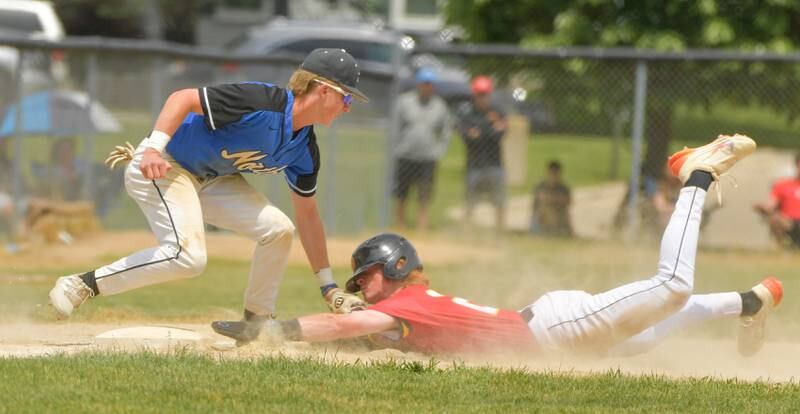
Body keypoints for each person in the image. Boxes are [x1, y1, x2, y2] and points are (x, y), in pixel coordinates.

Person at [214, 134, 782, 358]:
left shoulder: (402, 304)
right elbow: (355, 340)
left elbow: (343, 328)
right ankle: (748, 303)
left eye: (365, 277)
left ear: (395, 267)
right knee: (650, 330)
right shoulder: (404, 311)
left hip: (558, 328)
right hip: (556, 339)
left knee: (671, 287)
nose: (362, 288)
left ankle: (697, 175)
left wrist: (272, 330)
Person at [48, 48, 370, 334]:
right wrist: (153, 149)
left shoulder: (305, 149)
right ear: (323, 90)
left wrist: (328, 286)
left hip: (212, 180)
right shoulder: (263, 102)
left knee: (279, 230)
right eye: (347, 97)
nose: (348, 107)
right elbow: (183, 98)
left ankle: (257, 323)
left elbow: (307, 215)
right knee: (188, 258)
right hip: (166, 163)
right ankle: (82, 284)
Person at [392, 67, 451, 231]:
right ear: (418, 84)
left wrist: (440, 150)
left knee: (425, 192)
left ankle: (422, 224)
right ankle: (399, 222)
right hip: (405, 154)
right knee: (401, 192)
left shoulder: (440, 106)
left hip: (428, 157)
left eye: (430, 84)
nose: (427, 87)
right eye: (424, 83)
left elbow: (446, 131)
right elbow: (395, 127)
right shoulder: (404, 102)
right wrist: (396, 147)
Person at [455, 76, 507, 230]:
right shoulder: (468, 113)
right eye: (479, 94)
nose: (482, 98)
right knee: (470, 201)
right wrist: (490, 128)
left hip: (494, 163)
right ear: (474, 95)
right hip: (474, 164)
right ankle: (466, 231)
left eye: (485, 94)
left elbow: (500, 134)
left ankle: (500, 231)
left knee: (499, 201)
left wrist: (479, 132)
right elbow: (467, 136)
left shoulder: (498, 112)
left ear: (489, 94)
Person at [754, 153, 800, 248]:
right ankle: (783, 247)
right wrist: (764, 208)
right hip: (789, 222)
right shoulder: (782, 185)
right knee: (775, 219)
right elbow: (771, 205)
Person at [530, 160, 572, 237]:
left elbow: (568, 201)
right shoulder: (540, 186)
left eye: (556, 173)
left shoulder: (563, 187)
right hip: (542, 216)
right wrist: (557, 199)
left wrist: (553, 199)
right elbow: (543, 199)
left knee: (563, 211)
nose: (554, 175)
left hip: (558, 213)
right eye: (552, 173)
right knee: (546, 208)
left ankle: (562, 232)